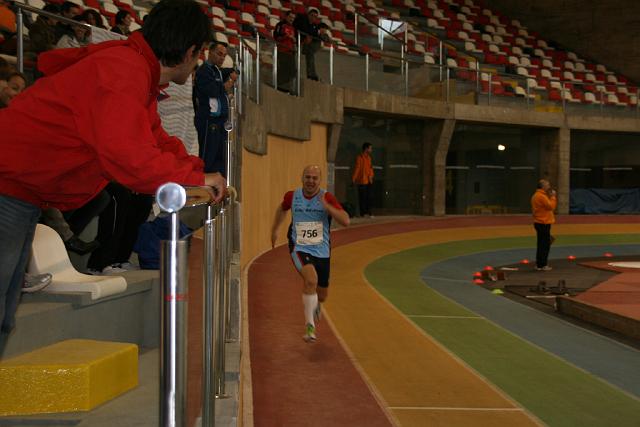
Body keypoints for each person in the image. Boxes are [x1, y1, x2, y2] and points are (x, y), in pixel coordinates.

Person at [0, 0, 226, 354]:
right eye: (200, 55)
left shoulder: (135, 71)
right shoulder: (123, 70)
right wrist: (192, 177)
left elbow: (156, 140)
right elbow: (130, 157)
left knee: (5, 316)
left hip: (20, 193)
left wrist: (199, 174)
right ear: (191, 51)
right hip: (7, 189)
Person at [270, 165, 350, 342]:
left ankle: (317, 304)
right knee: (310, 279)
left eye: (314, 178)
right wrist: (274, 230)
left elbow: (345, 221)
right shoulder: (293, 196)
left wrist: (328, 207)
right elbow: (281, 209)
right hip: (300, 247)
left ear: (319, 181)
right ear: (302, 178)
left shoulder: (327, 197)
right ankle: (309, 327)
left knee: (322, 295)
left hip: (322, 251)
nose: (311, 181)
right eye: (308, 177)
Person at [193, 40, 237, 176]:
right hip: (209, 120)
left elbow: (229, 71)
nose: (222, 58)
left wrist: (235, 72)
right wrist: (229, 83)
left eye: (224, 55)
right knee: (208, 157)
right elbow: (213, 90)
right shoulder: (203, 71)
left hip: (221, 121)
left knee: (221, 158)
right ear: (210, 53)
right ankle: (204, 185)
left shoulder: (217, 70)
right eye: (219, 54)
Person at [531, 179, 557, 271]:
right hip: (543, 222)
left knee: (541, 243)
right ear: (542, 186)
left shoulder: (537, 195)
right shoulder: (541, 196)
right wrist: (553, 197)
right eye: (547, 185)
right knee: (545, 244)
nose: (549, 186)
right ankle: (543, 264)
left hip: (540, 222)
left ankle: (539, 264)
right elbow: (551, 207)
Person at [293, 7, 321, 81]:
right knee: (310, 52)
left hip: (306, 45)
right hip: (296, 41)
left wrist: (310, 37)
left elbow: (316, 36)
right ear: (308, 15)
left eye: (315, 17)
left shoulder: (314, 26)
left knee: (311, 52)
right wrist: (306, 37)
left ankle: (311, 74)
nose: (313, 18)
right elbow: (299, 28)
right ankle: (310, 74)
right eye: (311, 15)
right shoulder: (302, 20)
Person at [273, 10, 296, 93]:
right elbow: (276, 37)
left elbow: (295, 40)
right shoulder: (280, 25)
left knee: (292, 71)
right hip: (282, 51)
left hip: (290, 52)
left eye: (293, 18)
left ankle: (287, 88)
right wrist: (287, 36)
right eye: (290, 17)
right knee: (282, 70)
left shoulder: (293, 28)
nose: (292, 19)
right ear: (286, 16)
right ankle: (280, 88)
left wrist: (294, 40)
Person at [352, 142, 374, 217]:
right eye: (370, 148)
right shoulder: (360, 157)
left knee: (369, 197)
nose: (371, 150)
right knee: (362, 198)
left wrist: (371, 176)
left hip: (369, 180)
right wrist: (353, 179)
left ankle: (369, 212)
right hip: (362, 181)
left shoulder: (369, 158)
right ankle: (363, 213)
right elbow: (357, 168)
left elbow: (370, 168)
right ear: (366, 148)